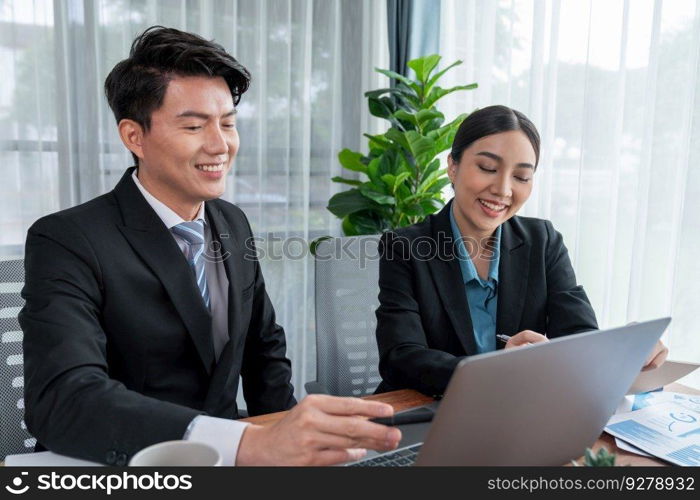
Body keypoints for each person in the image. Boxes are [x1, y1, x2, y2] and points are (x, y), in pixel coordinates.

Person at [19, 26, 401, 467]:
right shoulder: (68, 239)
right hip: (117, 464)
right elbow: (64, 399)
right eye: (194, 125)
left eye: (228, 124)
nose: (220, 145)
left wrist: (290, 442)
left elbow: (264, 350)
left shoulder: (231, 221)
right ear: (133, 137)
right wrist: (248, 445)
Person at [374, 105, 668, 397]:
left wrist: (624, 348)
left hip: (517, 411)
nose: (503, 189)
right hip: (426, 410)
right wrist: (497, 371)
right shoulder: (405, 247)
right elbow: (400, 357)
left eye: (521, 177)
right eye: (488, 168)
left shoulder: (543, 241)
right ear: (453, 166)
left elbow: (578, 336)